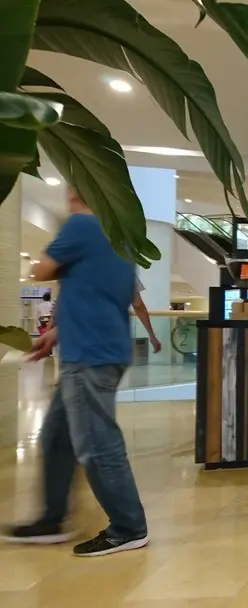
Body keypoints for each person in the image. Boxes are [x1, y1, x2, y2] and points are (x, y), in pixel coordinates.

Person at [3, 187, 148, 557]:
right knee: (56, 437)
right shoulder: (120, 236)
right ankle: (51, 520)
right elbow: (103, 295)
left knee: (97, 445)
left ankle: (129, 527)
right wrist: (55, 333)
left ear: (77, 191)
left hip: (89, 355)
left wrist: (49, 260)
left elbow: (41, 269)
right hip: (99, 348)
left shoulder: (81, 225)